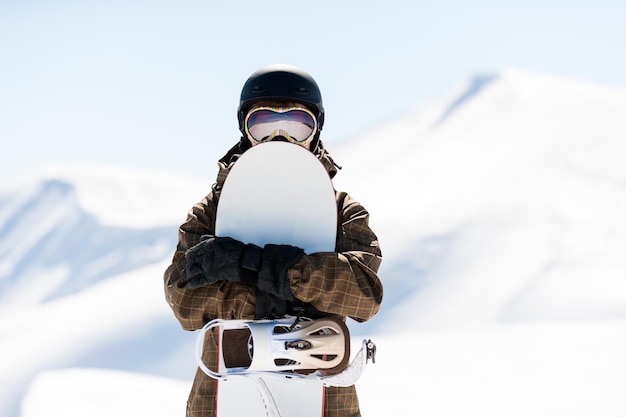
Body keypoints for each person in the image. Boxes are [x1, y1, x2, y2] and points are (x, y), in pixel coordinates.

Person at [163, 64, 383, 417]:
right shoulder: (212, 211)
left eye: (297, 126)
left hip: (324, 400)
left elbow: (364, 296)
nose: (280, 138)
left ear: (317, 130)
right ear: (244, 129)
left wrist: (250, 264)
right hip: (225, 393)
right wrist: (296, 282)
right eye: (263, 124)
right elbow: (184, 304)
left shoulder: (341, 210)